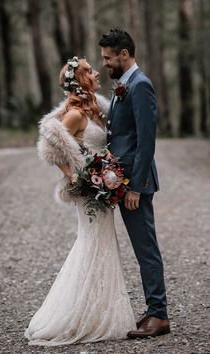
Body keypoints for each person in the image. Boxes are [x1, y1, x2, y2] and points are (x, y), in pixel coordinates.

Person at [24, 56, 136, 346]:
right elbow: (52, 150)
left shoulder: (98, 108)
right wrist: (77, 175)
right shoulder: (74, 115)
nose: (96, 72)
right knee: (93, 245)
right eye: (90, 70)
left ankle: (99, 310)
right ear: (81, 79)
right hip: (89, 194)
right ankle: (82, 315)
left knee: (103, 245)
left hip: (104, 189)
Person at [99, 28, 170, 338]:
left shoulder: (140, 86)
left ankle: (160, 315)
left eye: (108, 57)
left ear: (124, 54)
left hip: (134, 183)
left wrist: (136, 187)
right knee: (143, 249)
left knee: (146, 250)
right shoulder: (124, 84)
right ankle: (154, 310)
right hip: (122, 179)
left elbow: (146, 141)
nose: (105, 63)